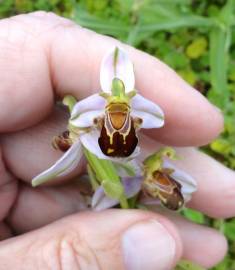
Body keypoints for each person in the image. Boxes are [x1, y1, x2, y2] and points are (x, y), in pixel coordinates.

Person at [0, 11, 230, 270]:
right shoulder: (92, 120)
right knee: (111, 185)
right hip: (112, 164)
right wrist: (80, 127)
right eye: (113, 110)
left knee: (121, 186)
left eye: (122, 111)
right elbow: (80, 119)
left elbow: (156, 117)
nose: (118, 113)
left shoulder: (132, 171)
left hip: (124, 169)